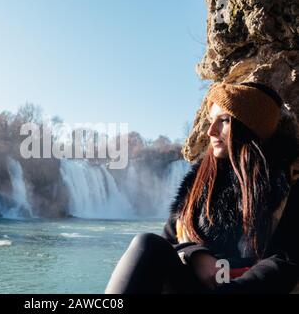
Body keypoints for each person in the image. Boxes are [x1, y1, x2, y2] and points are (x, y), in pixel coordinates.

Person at [105, 82, 299, 293]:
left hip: (249, 289)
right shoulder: (197, 183)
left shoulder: (288, 182)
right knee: (147, 244)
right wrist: (195, 254)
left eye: (224, 120)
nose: (210, 131)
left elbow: (288, 260)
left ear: (251, 126)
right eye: (210, 120)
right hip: (192, 285)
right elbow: (169, 240)